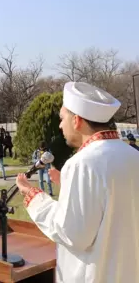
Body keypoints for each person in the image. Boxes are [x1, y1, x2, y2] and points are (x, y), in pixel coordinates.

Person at [16, 82, 139, 282]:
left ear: (77, 120)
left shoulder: (82, 164)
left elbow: (72, 233)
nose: (59, 125)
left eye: (62, 118)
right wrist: (67, 189)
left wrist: (33, 195)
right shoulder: (132, 156)